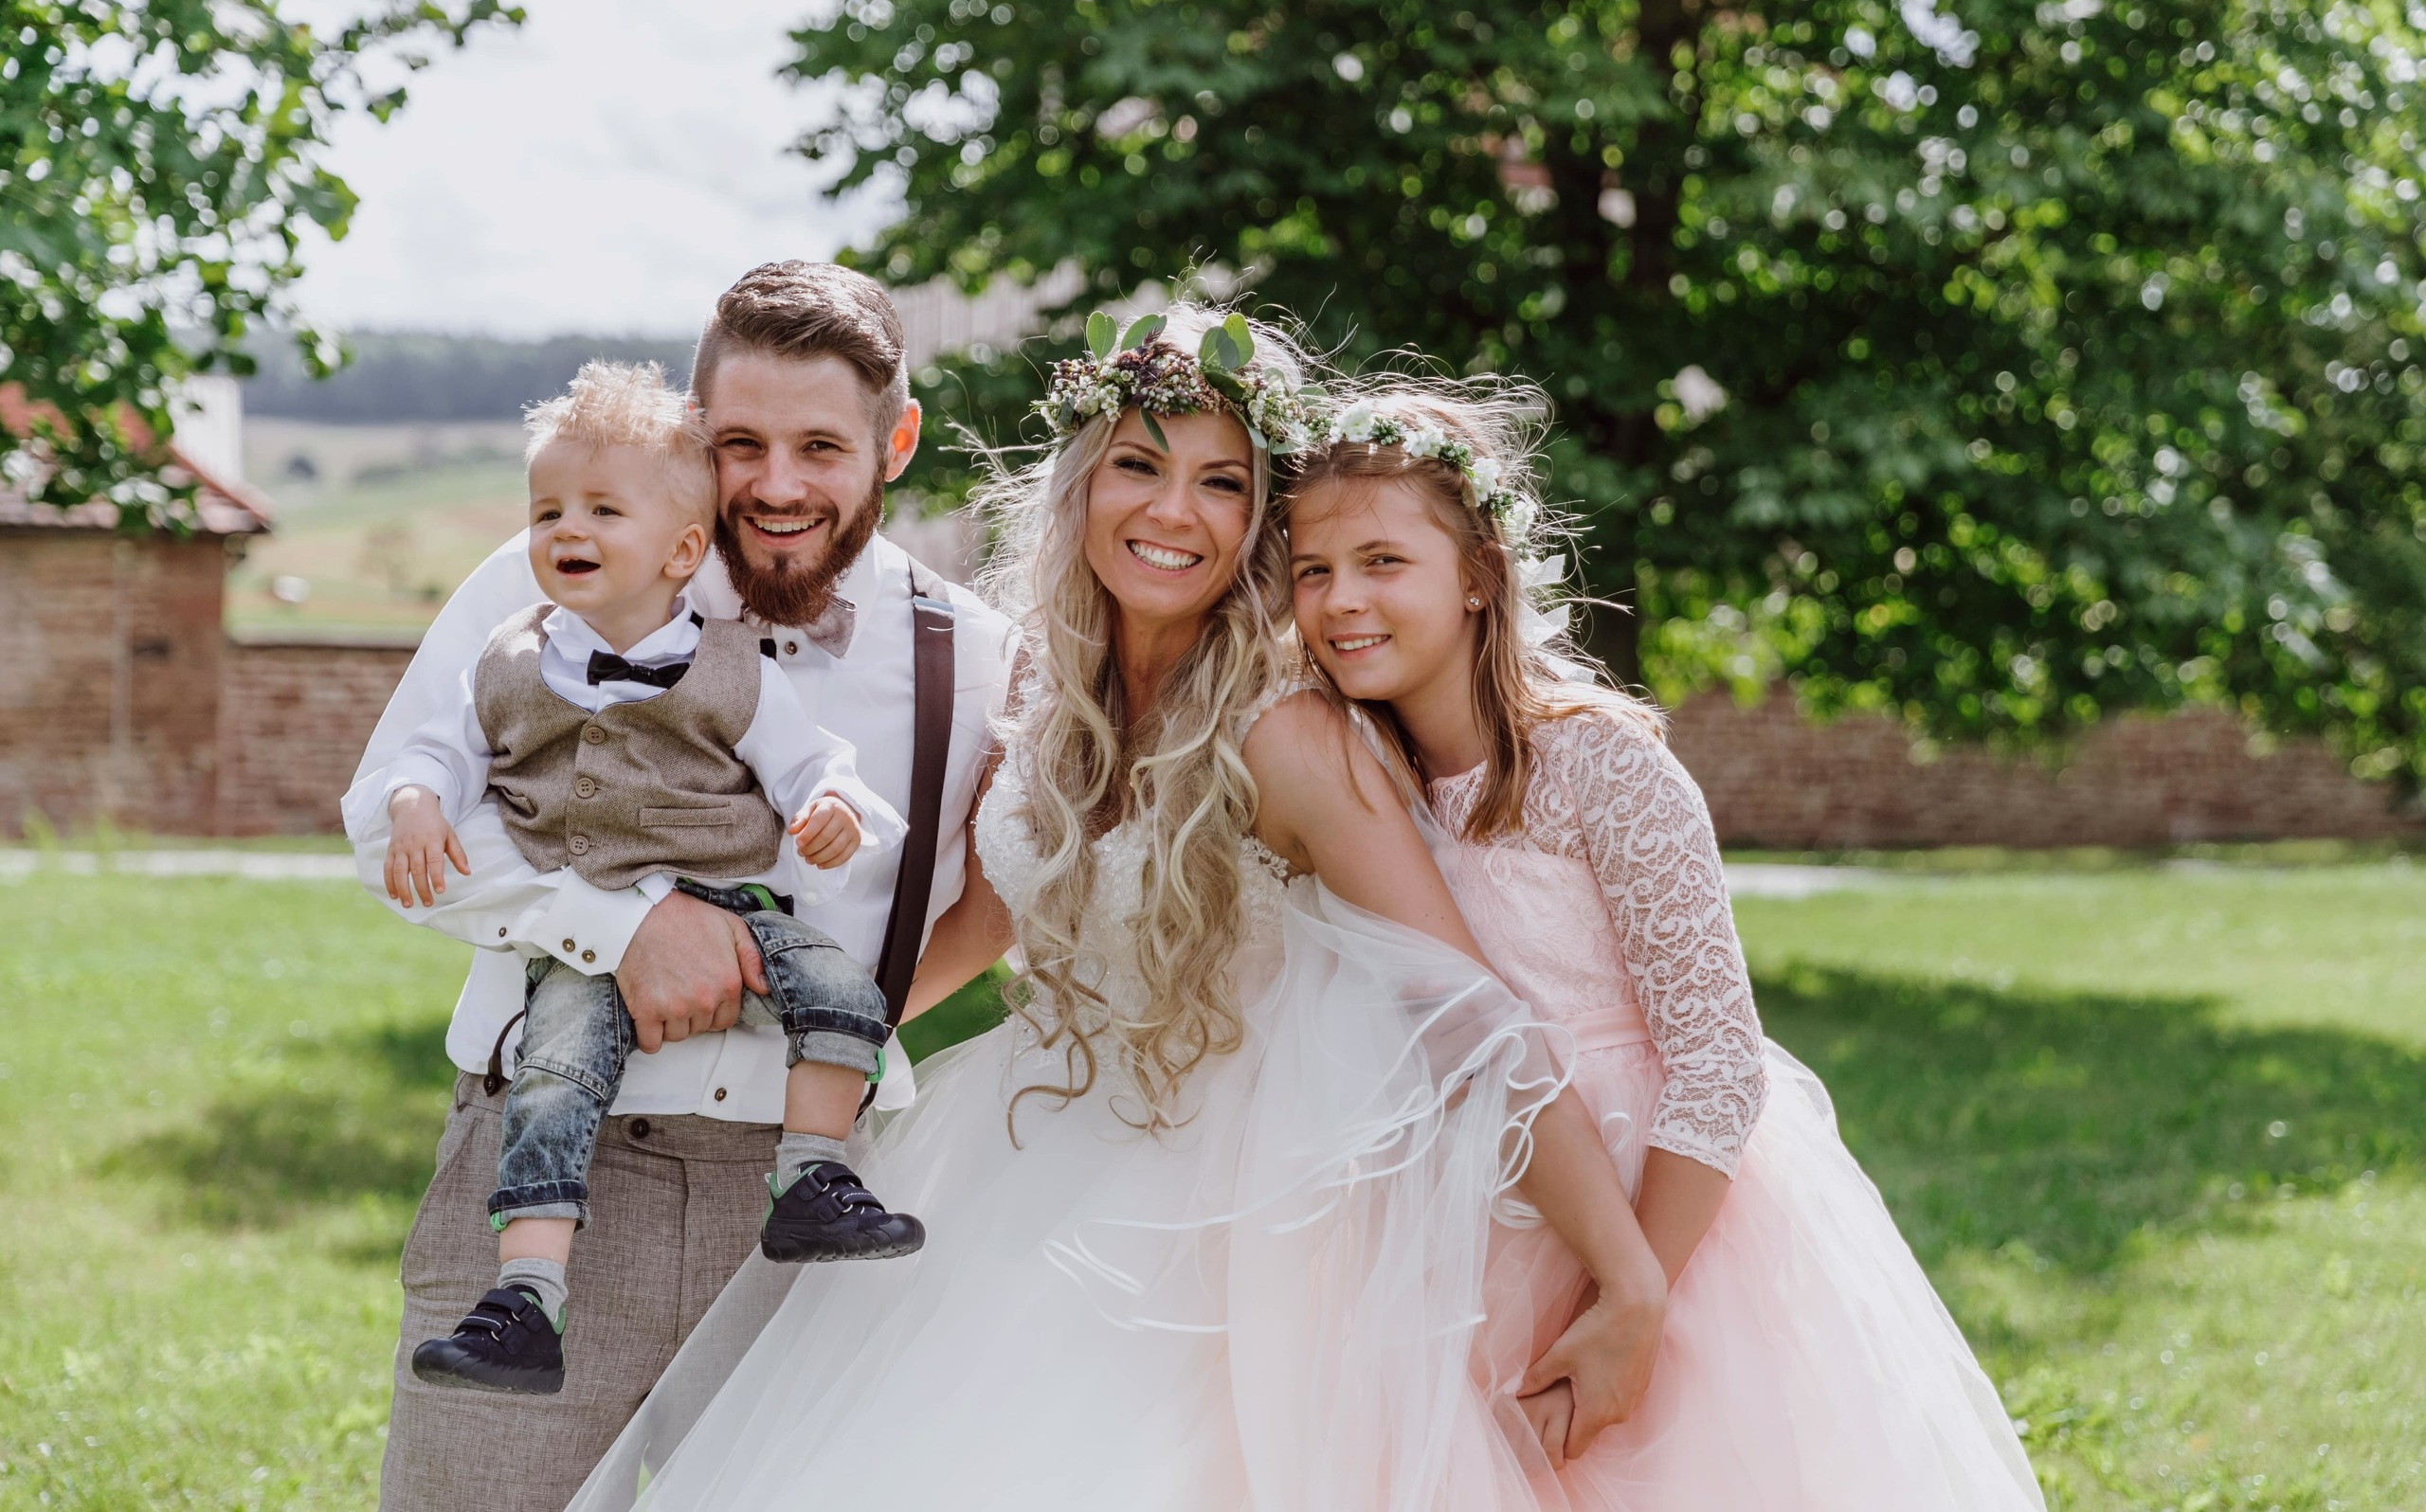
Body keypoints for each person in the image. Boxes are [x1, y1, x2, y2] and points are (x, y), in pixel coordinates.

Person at [560, 306, 1669, 1512]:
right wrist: (815, 1043)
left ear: (1260, 521)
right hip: (1018, 1152)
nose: (1170, 511)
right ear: (1084, 482)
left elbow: (1468, 1013)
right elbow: (990, 921)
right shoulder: (1043, 681)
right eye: (1138, 465)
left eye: (1221, 483)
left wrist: (1630, 1279)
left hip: (1214, 1221)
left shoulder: (1289, 735)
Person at [1279, 382, 2049, 1507]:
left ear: (1479, 579)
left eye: (1382, 563)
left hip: (1666, 1221)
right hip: (1463, 1220)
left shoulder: (1604, 766)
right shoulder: (1359, 781)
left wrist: (1629, 1299)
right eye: (1311, 571)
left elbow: (1719, 1061)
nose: (1341, 600)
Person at [341, 263, 1014, 1512]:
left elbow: (1017, 888)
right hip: (542, 1180)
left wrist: (851, 1034)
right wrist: (617, 926)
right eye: (740, 440)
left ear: (896, 439)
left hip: (807, 1214)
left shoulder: (972, 657)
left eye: (821, 443)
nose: (775, 481)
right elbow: (385, 815)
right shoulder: (562, 566)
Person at [371, 360, 920, 1399]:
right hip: (591, 922)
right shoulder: (508, 655)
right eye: (547, 510)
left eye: (598, 510)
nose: (563, 530)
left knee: (846, 998)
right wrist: (415, 801)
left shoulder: (733, 666)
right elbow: (434, 754)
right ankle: (525, 1295)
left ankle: (811, 1174)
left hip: (739, 907)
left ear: (679, 548)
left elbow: (811, 762)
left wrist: (838, 810)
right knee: (555, 1077)